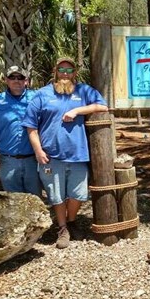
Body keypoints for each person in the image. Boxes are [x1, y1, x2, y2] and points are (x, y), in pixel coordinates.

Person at [22, 57, 109, 249]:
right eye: (61, 69)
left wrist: (78, 110)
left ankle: (71, 220)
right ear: (55, 71)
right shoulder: (42, 94)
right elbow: (30, 126)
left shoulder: (83, 91)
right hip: (51, 156)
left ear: (74, 73)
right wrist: (38, 150)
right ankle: (62, 228)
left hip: (78, 154)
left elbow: (102, 106)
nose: (65, 74)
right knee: (56, 195)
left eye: (69, 70)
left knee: (78, 194)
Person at [0, 65, 41, 196]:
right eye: (12, 77)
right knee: (13, 201)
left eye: (20, 77)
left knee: (35, 199)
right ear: (6, 80)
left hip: (33, 160)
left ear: (26, 80)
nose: (16, 81)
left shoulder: (37, 98)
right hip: (8, 160)